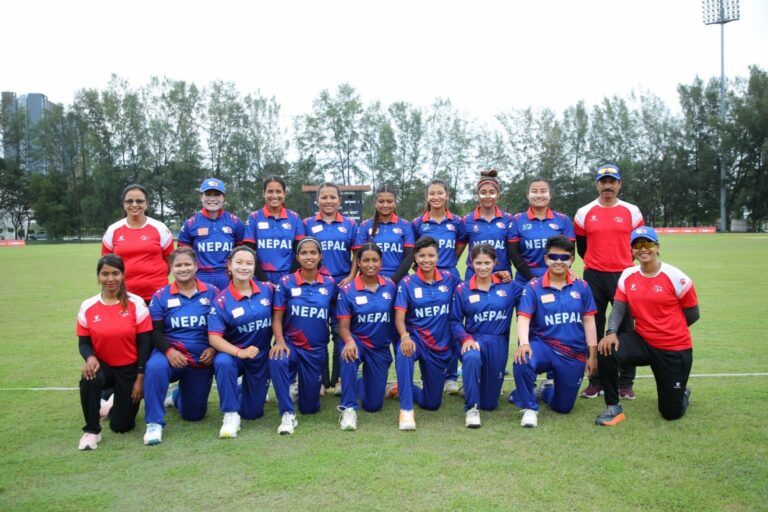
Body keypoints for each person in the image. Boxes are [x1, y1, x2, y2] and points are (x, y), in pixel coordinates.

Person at [595, 227, 699, 426]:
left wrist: (670, 329)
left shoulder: (676, 277)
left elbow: (693, 313)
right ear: (632, 251)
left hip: (673, 347)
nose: (643, 249)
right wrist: (611, 332)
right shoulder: (628, 274)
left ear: (657, 247)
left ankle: (682, 392)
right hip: (642, 340)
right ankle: (613, 407)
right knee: (607, 348)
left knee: (670, 413)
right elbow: (618, 308)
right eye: (637, 245)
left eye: (648, 243)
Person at [510, 236, 598, 428]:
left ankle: (545, 391)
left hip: (573, 352)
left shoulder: (582, 286)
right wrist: (524, 343)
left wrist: (592, 355)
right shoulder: (533, 286)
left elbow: (589, 320)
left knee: (563, 407)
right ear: (546, 259)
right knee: (522, 359)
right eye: (553, 257)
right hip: (544, 347)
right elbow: (523, 318)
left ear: (571, 260)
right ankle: (529, 408)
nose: (559, 261)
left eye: (564, 257)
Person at [574, 164, 643, 399]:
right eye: (603, 182)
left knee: (625, 328)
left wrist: (621, 262)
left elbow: (638, 244)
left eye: (612, 181)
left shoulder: (632, 211)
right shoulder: (584, 212)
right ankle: (596, 380)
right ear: (597, 185)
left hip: (624, 276)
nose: (607, 186)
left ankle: (625, 381)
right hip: (593, 275)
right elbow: (582, 247)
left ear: (619, 184)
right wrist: (598, 261)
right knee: (592, 325)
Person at [143, 247, 219, 445]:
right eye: (178, 265)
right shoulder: (161, 295)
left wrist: (213, 349)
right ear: (171, 267)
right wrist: (168, 351)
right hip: (170, 354)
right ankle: (154, 423)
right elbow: (155, 332)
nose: (183, 269)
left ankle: (178, 396)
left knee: (194, 415)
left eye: (187, 264)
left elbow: (222, 327)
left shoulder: (212, 292)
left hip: (200, 358)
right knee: (155, 366)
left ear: (196, 266)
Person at [76, 254, 152, 450]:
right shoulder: (88, 306)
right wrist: (90, 357)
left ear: (123, 275)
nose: (110, 279)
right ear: (98, 276)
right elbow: (84, 343)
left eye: (115, 273)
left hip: (129, 369)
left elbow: (145, 344)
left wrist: (140, 378)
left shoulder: (137, 303)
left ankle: (111, 403)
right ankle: (92, 430)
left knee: (121, 426)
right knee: (89, 377)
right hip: (103, 366)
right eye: (105, 274)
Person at [452, 169, 514, 394]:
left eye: (492, 192)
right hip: (473, 279)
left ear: (498, 194)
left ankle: (496, 370)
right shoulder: (468, 221)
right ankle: (470, 368)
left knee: (500, 324)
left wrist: (507, 274)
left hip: (501, 280)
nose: (488, 196)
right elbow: (457, 253)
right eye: (483, 192)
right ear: (477, 194)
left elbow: (513, 250)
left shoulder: (508, 220)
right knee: (470, 324)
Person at [450, 244, 522, 428]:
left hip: (498, 342)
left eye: (487, 263)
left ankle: (471, 387)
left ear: (495, 262)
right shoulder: (462, 289)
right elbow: (455, 322)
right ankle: (471, 408)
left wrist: (569, 275)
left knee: (490, 404)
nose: (483, 267)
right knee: (472, 357)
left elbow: (534, 293)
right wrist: (465, 338)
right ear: (471, 263)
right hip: (474, 339)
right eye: (478, 263)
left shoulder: (509, 286)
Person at [270, 237, 337, 435]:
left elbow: (337, 315)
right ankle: (287, 413)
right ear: (297, 257)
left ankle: (301, 390)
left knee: (310, 408)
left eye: (313, 252)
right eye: (304, 253)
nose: (309, 256)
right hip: (290, 344)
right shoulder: (286, 282)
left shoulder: (330, 283)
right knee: (277, 358)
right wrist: (279, 341)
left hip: (315, 349)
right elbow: (277, 318)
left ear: (320, 256)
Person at [207, 246, 275, 438]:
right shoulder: (221, 300)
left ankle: (239, 389)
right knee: (222, 361)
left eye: (249, 263)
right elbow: (214, 338)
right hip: (234, 356)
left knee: (252, 413)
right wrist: (239, 352)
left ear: (254, 268)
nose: (243, 267)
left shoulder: (268, 290)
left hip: (259, 357)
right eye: (239, 262)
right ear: (230, 265)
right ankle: (230, 415)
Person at [392, 236, 457, 431]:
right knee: (404, 351)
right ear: (415, 257)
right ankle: (406, 410)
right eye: (421, 256)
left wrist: (499, 276)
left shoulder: (450, 278)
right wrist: (404, 336)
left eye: (430, 255)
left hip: (439, 345)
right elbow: (399, 317)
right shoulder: (407, 283)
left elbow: (473, 286)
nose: (426, 260)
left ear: (438, 257)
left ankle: (403, 388)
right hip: (416, 339)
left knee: (432, 403)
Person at [304, 182, 358, 396]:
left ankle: (339, 380)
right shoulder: (307, 224)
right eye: (324, 197)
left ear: (339, 200)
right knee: (316, 333)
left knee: (340, 332)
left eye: (332, 197)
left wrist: (351, 277)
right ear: (317, 200)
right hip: (316, 286)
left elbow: (357, 254)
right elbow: (302, 254)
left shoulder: (350, 224)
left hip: (342, 286)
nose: (328, 201)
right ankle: (319, 379)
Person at [336, 243, 398, 431]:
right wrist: (349, 341)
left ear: (381, 262)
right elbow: (343, 327)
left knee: (373, 405)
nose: (370, 264)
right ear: (358, 262)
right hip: (357, 342)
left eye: (375, 260)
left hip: (379, 347)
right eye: (366, 260)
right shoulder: (348, 289)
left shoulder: (390, 286)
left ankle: (360, 384)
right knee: (348, 355)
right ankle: (348, 408)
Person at [101, 184, 174, 303]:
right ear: (123, 204)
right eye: (129, 201)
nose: (134, 204)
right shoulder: (113, 230)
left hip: (157, 296)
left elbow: (170, 260)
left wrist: (153, 279)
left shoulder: (160, 228)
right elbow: (106, 264)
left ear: (146, 204)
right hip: (124, 296)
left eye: (139, 201)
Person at [178, 178, 245, 290]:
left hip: (228, 277)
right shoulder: (190, 224)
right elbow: (182, 256)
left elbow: (242, 253)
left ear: (223, 197)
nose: (212, 198)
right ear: (201, 197)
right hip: (200, 278)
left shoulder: (235, 222)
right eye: (208, 194)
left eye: (217, 194)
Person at [509, 177, 575, 285]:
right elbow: (514, 254)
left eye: (543, 191)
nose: (539, 195)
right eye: (534, 191)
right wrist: (532, 279)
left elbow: (570, 252)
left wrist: (555, 275)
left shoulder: (563, 219)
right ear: (528, 195)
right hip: (525, 280)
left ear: (550, 195)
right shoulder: (517, 220)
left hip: (557, 278)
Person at [243, 175, 305, 285]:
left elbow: (300, 252)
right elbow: (249, 253)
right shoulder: (254, 217)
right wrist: (264, 280)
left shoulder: (294, 218)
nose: (274, 195)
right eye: (270, 191)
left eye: (278, 191)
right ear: (264, 193)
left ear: (284, 193)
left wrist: (289, 279)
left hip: (289, 276)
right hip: (261, 277)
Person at [353, 184, 414, 284]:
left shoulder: (405, 225)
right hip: (370, 280)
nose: (385, 205)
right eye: (381, 201)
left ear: (395, 203)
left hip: (398, 280)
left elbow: (409, 257)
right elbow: (359, 256)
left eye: (389, 201)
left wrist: (393, 281)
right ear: (375, 203)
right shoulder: (365, 225)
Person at [411, 178, 466, 283]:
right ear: (427, 197)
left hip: (450, 275)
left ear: (447, 195)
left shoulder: (457, 222)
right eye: (432, 194)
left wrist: (448, 262)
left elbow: (458, 249)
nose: (436, 197)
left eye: (440, 193)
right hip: (425, 275)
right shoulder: (417, 223)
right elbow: (412, 251)